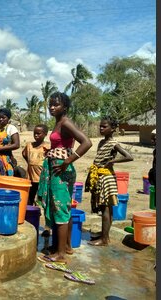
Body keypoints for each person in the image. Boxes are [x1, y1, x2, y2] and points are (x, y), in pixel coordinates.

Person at [37, 92, 92, 264]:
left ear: (65, 107)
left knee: (60, 209)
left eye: (56, 105)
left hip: (61, 170)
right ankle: (65, 246)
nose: (52, 107)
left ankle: (60, 254)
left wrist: (67, 161)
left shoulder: (66, 123)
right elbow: (63, 144)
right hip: (57, 168)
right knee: (62, 209)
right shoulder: (58, 123)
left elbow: (87, 142)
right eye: (50, 104)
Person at [85, 116, 133, 246]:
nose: (101, 128)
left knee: (106, 208)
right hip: (100, 177)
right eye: (100, 126)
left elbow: (129, 157)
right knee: (104, 207)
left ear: (112, 129)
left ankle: (104, 239)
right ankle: (104, 235)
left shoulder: (113, 143)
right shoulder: (101, 142)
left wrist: (112, 161)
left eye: (104, 126)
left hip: (107, 178)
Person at [22, 124, 50, 206]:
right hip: (30, 177)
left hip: (42, 178)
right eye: (35, 133)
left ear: (45, 134)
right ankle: (29, 211)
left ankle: (39, 210)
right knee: (30, 196)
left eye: (39, 133)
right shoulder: (29, 146)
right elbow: (24, 154)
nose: (36, 135)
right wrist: (31, 163)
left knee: (42, 197)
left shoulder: (47, 147)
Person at [0, 108, 20, 177]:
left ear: (8, 118)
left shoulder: (11, 128)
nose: (1, 119)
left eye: (3, 117)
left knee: (6, 179)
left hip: (6, 159)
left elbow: (16, 144)